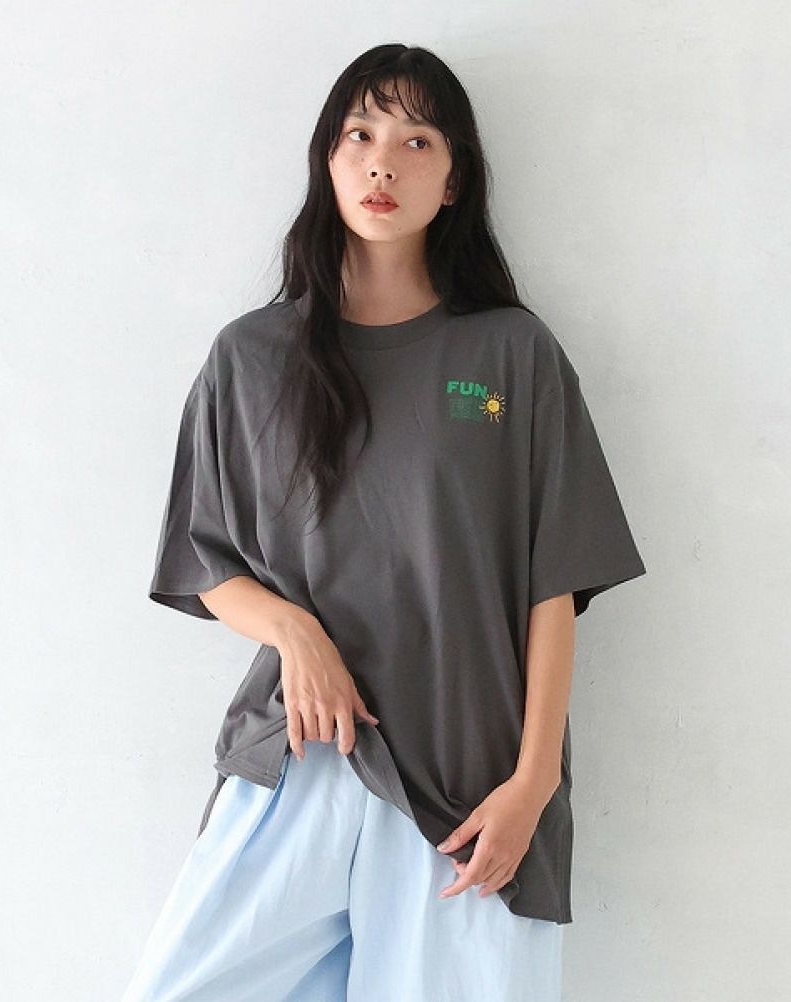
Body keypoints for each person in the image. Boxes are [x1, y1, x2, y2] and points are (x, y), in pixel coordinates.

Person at [122, 42, 647, 1002]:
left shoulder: (510, 353)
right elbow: (206, 559)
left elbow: (555, 581)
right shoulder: (252, 357)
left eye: (416, 141)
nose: (382, 163)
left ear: (454, 182)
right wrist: (297, 632)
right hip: (303, 751)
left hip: (471, 783)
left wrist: (533, 784)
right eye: (360, 135)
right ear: (327, 159)